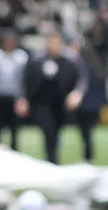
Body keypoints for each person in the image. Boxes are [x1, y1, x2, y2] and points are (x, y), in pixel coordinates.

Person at [17, 30, 86, 165]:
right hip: (42, 103)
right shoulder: (37, 59)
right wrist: (22, 98)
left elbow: (82, 78)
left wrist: (77, 93)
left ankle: (53, 160)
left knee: (56, 132)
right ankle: (51, 160)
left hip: (61, 104)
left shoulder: (70, 59)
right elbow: (25, 80)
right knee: (48, 130)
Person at [0, 31, 28, 151]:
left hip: (14, 96)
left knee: (14, 129)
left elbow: (24, 79)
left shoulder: (21, 57)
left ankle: (14, 152)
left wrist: (22, 98)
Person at [70, 38, 105, 164]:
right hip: (94, 105)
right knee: (88, 133)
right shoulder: (96, 66)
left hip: (84, 105)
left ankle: (87, 158)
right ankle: (88, 157)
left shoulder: (82, 67)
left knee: (85, 133)